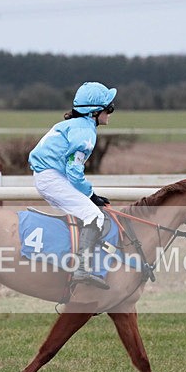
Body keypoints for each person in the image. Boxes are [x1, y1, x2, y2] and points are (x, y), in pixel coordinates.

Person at [28, 81, 116, 290]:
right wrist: (91, 195)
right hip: (53, 178)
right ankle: (81, 269)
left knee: (84, 214)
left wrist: (90, 195)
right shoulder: (84, 131)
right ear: (95, 112)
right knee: (94, 216)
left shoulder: (73, 125)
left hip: (49, 176)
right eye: (109, 108)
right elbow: (75, 173)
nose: (111, 112)